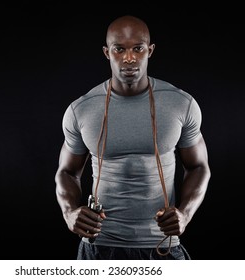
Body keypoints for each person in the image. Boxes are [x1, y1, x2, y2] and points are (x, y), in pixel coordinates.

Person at [54, 15, 211, 260]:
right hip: (99, 247)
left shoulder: (181, 104)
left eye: (138, 49)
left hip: (161, 245)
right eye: (119, 49)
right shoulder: (81, 109)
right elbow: (66, 172)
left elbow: (199, 167)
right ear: (107, 53)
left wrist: (185, 213)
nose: (129, 58)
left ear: (150, 51)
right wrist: (69, 212)